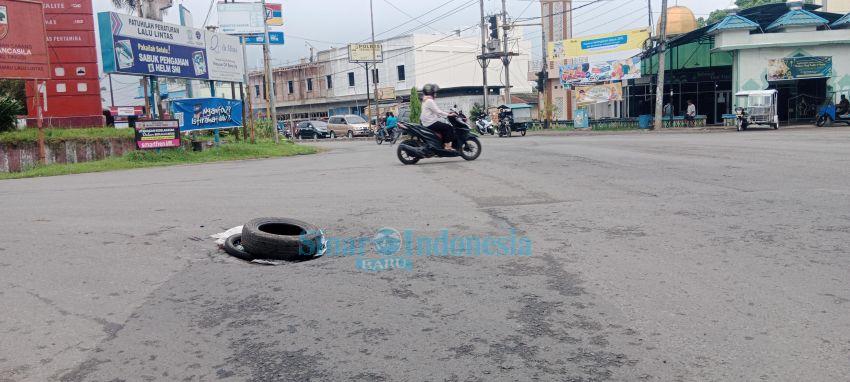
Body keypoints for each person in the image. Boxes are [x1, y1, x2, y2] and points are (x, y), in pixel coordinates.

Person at [420, 84, 455, 150]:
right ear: (431, 93)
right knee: (449, 127)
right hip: (430, 123)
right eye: (435, 93)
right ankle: (447, 146)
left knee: (443, 128)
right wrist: (449, 115)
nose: (436, 95)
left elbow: (434, 111)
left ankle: (442, 144)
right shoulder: (430, 101)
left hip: (426, 122)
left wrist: (444, 113)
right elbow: (438, 111)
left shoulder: (425, 100)